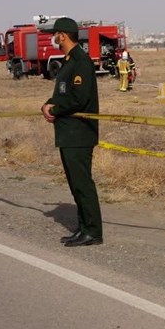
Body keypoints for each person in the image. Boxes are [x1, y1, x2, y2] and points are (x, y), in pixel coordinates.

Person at [41, 17, 103, 247]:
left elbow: (79, 98)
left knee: (82, 184)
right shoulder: (69, 61)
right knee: (75, 184)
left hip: (79, 134)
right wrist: (48, 104)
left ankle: (93, 231)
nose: (53, 38)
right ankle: (84, 227)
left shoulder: (80, 62)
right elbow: (63, 94)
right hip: (68, 133)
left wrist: (55, 109)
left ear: (63, 36)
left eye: (55, 34)